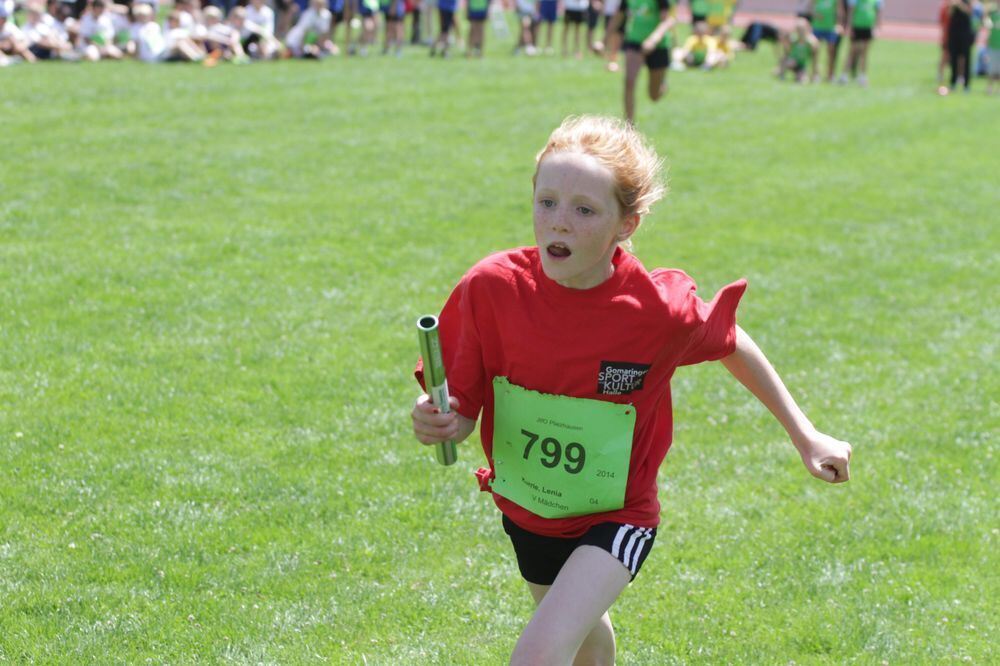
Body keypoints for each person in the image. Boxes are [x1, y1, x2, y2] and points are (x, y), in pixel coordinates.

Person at [411, 115, 853, 666]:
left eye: (585, 210)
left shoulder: (656, 311)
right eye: (547, 202)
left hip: (618, 516)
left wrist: (806, 435)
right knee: (588, 646)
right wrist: (438, 420)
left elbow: (730, 341)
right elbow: (460, 410)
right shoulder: (491, 289)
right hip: (529, 511)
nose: (559, 222)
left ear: (627, 224)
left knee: (538, 655)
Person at [611, 0, 674, 124]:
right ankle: (629, 127)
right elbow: (618, 17)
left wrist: (653, 39)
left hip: (658, 45)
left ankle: (662, 86)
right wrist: (603, 40)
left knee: (654, 96)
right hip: (634, 42)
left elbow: (667, 20)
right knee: (629, 82)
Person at [840, 0, 880, 86]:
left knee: (865, 53)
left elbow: (878, 12)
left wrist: (876, 28)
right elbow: (851, 12)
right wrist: (850, 27)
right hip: (857, 27)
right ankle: (844, 75)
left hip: (868, 27)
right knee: (852, 52)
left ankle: (862, 76)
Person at [941, 0, 975, 94]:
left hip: (965, 34)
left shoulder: (967, 1)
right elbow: (949, 13)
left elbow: (970, 12)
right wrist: (952, 5)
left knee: (966, 60)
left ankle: (966, 85)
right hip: (954, 33)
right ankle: (953, 82)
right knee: (953, 59)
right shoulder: (953, 2)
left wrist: (960, 4)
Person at [811, 0, 844, 82]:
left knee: (831, 52)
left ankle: (830, 74)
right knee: (815, 51)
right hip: (817, 27)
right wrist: (815, 14)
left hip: (830, 28)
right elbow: (811, 7)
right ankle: (815, 74)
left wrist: (839, 24)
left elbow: (839, 10)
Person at [779, 17, 819, 82]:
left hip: (802, 66)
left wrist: (814, 73)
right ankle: (781, 75)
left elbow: (814, 59)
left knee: (803, 81)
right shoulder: (794, 40)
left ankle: (800, 75)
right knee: (787, 61)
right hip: (793, 62)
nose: (800, 32)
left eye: (802, 30)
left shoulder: (810, 42)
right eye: (799, 30)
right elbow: (786, 50)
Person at [986, 0, 999, 93]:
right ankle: (990, 87)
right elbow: (987, 24)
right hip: (993, 45)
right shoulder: (993, 15)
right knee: (992, 68)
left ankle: (998, 88)